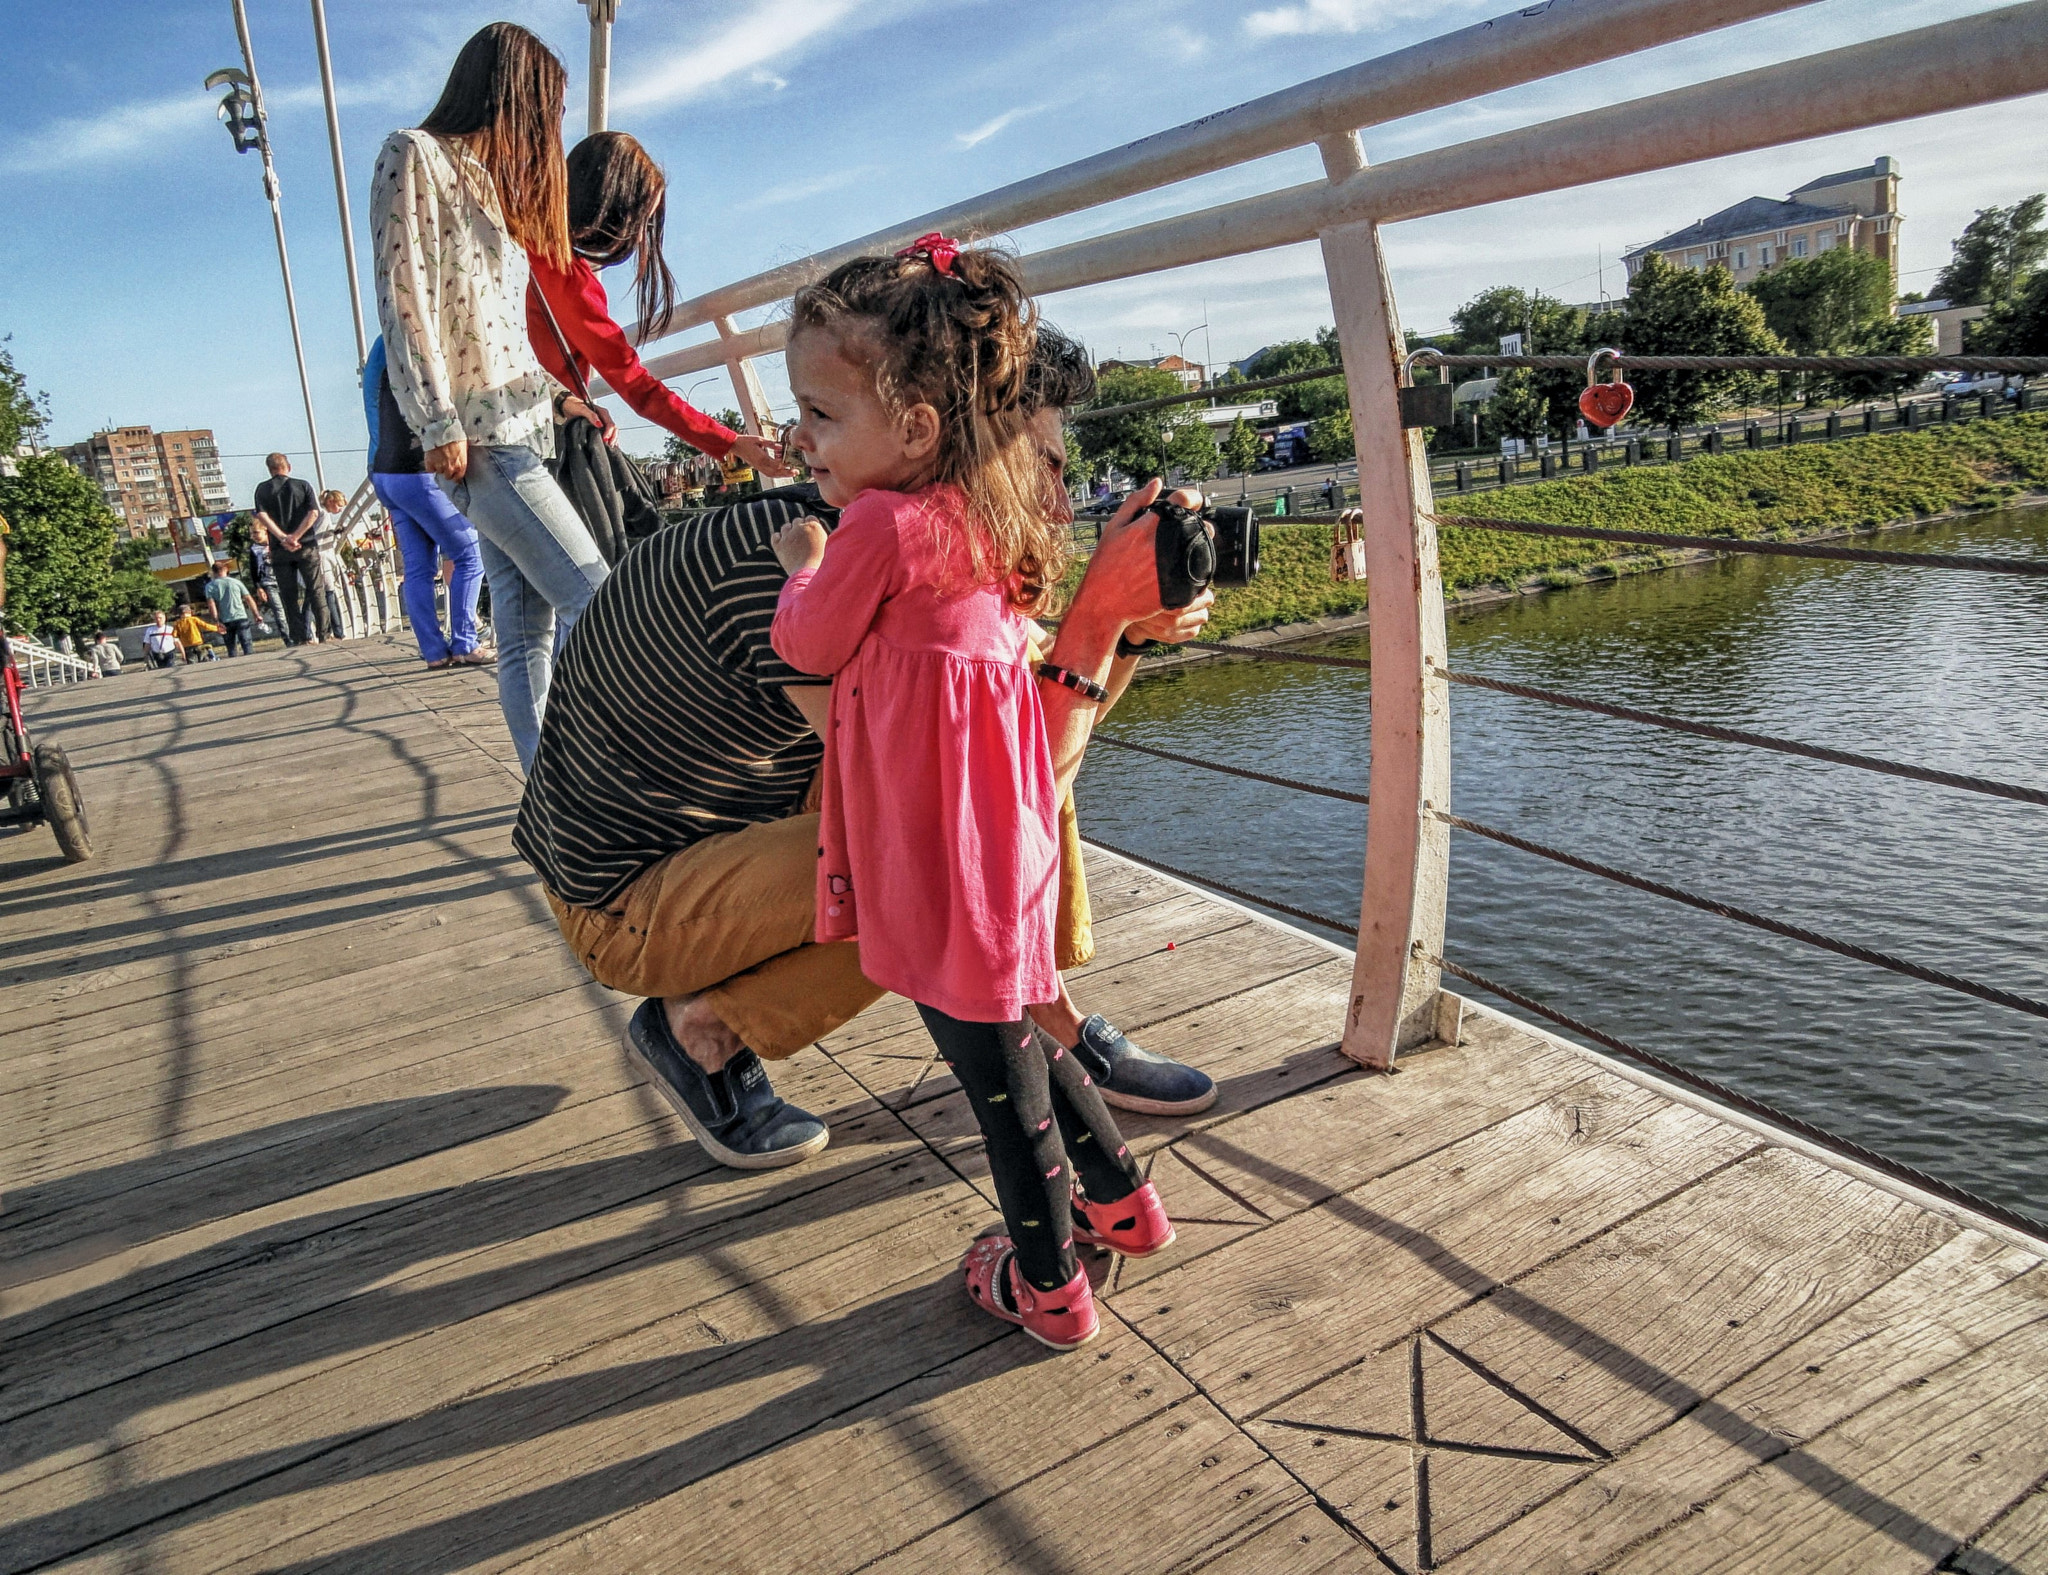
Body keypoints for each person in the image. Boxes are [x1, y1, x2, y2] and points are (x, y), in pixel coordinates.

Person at [512, 317, 1216, 1176]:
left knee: (974, 783)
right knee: (925, 866)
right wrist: (1097, 619)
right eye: (1049, 469)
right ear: (953, 446)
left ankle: (1047, 1009)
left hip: (727, 823)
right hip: (623, 896)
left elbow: (1028, 737)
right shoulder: (807, 561)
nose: (1065, 508)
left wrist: (1126, 633)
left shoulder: (898, 533)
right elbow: (1008, 783)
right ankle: (699, 1030)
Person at [768, 241, 1174, 1350]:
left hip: (932, 861)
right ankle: (1123, 1206)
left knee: (999, 1091)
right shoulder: (989, 522)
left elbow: (805, 639)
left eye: (818, 415)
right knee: (1020, 1039)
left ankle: (1046, 1286)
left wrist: (802, 558)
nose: (800, 439)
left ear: (912, 429)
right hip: (1001, 844)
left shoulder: (878, 529)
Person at [369, 22, 611, 771]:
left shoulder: (486, 184)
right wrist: (434, 420)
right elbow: (406, 302)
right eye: (547, 109)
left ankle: (548, 787)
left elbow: (493, 328)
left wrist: (560, 397)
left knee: (526, 623)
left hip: (523, 422)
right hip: (478, 435)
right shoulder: (414, 155)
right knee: (596, 599)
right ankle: (594, 773)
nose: (549, 130)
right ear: (513, 95)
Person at [527, 131, 787, 478]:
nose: (639, 236)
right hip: (535, 442)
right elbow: (636, 386)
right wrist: (727, 440)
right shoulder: (568, 278)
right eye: (642, 220)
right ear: (613, 209)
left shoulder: (523, 247)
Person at [362, 335, 489, 669]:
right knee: (469, 554)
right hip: (417, 471)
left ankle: (434, 652)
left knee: (418, 569)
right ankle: (465, 643)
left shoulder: (381, 347)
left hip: (383, 471)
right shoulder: (420, 341)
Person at [251, 454, 332, 643]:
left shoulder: (262, 489)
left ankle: (299, 637)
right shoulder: (302, 485)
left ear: (269, 469)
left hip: (280, 550)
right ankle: (324, 634)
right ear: (289, 467)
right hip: (306, 545)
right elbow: (314, 512)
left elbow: (262, 516)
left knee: (288, 595)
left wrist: (282, 537)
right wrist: (296, 536)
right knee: (316, 590)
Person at [245, 520, 293, 644]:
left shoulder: (276, 544)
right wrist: (258, 587)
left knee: (291, 608)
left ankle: (299, 634)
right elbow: (253, 570)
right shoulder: (254, 550)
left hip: (284, 579)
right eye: (251, 534)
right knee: (279, 611)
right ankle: (287, 638)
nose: (253, 536)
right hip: (268, 583)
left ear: (265, 530)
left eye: (256, 532)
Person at [317, 489, 354, 639]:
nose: (339, 510)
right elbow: (318, 536)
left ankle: (333, 630)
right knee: (328, 594)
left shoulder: (322, 514)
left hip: (323, 558)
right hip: (322, 559)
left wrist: (334, 532)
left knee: (321, 595)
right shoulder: (324, 515)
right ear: (331, 502)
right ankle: (337, 630)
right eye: (339, 506)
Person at [203, 567, 258, 657]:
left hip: (224, 620)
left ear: (213, 572)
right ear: (226, 570)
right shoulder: (236, 582)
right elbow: (249, 599)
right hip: (241, 617)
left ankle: (235, 666)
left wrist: (216, 621)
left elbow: (211, 605)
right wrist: (256, 614)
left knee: (231, 647)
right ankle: (252, 663)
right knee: (247, 643)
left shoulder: (210, 586)